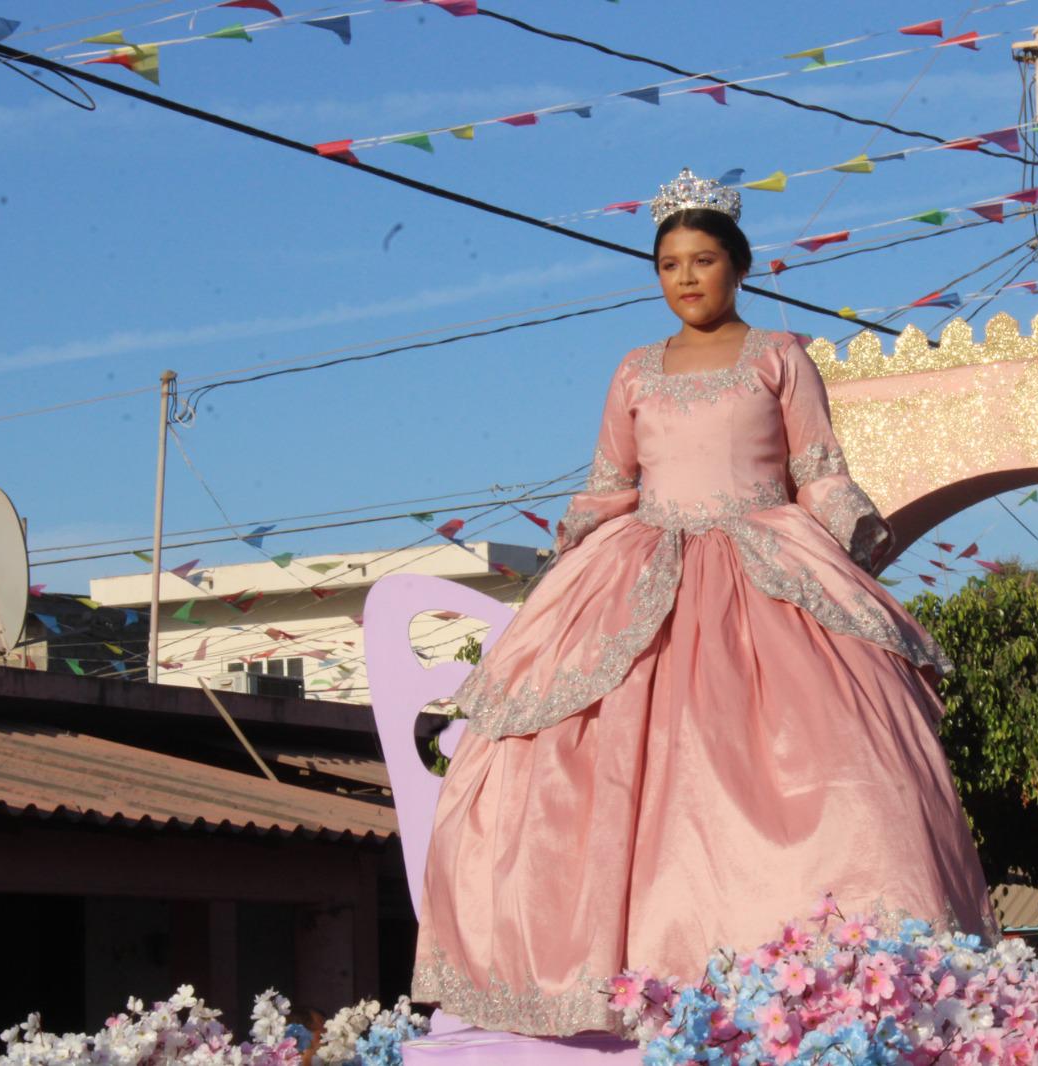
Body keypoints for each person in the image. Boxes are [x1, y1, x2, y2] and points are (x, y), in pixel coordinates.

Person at [411, 169, 996, 1037]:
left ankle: (834, 979)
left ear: (739, 266)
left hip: (765, 568)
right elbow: (610, 482)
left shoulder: (779, 356)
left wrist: (855, 550)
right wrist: (572, 564)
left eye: (703, 260)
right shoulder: (634, 370)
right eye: (670, 264)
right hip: (640, 572)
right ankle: (615, 976)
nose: (686, 278)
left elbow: (818, 470)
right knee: (586, 769)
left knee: (846, 774)